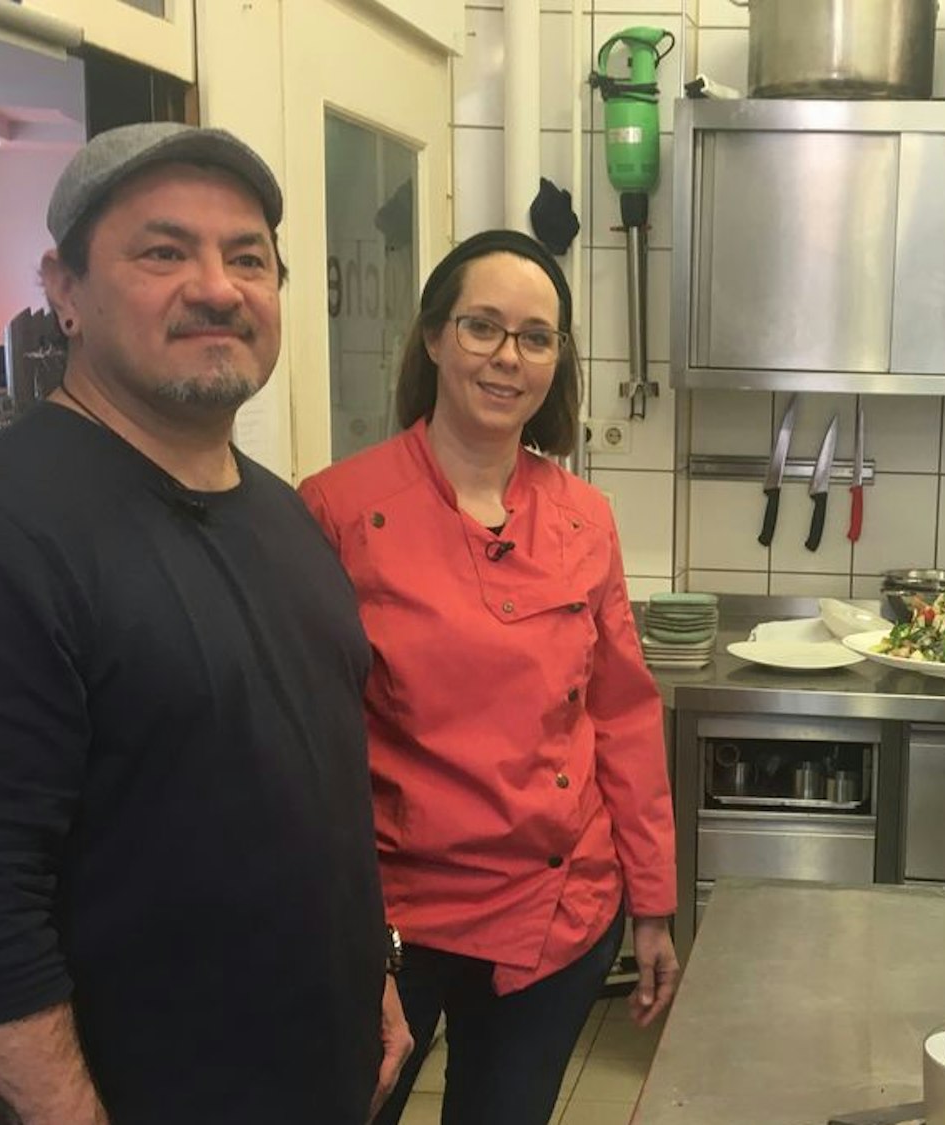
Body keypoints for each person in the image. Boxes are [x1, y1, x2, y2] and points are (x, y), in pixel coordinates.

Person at [0, 123, 410, 1125]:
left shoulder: (282, 515)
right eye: (163, 252)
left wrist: (372, 971)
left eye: (247, 257)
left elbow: (308, 801)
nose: (216, 287)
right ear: (63, 290)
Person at [300, 229, 679, 1125]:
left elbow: (622, 715)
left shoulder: (585, 517)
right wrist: (340, 930)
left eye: (536, 336)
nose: (509, 357)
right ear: (433, 336)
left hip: (558, 907)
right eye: (483, 327)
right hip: (394, 918)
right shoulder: (337, 509)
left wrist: (654, 904)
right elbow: (313, 747)